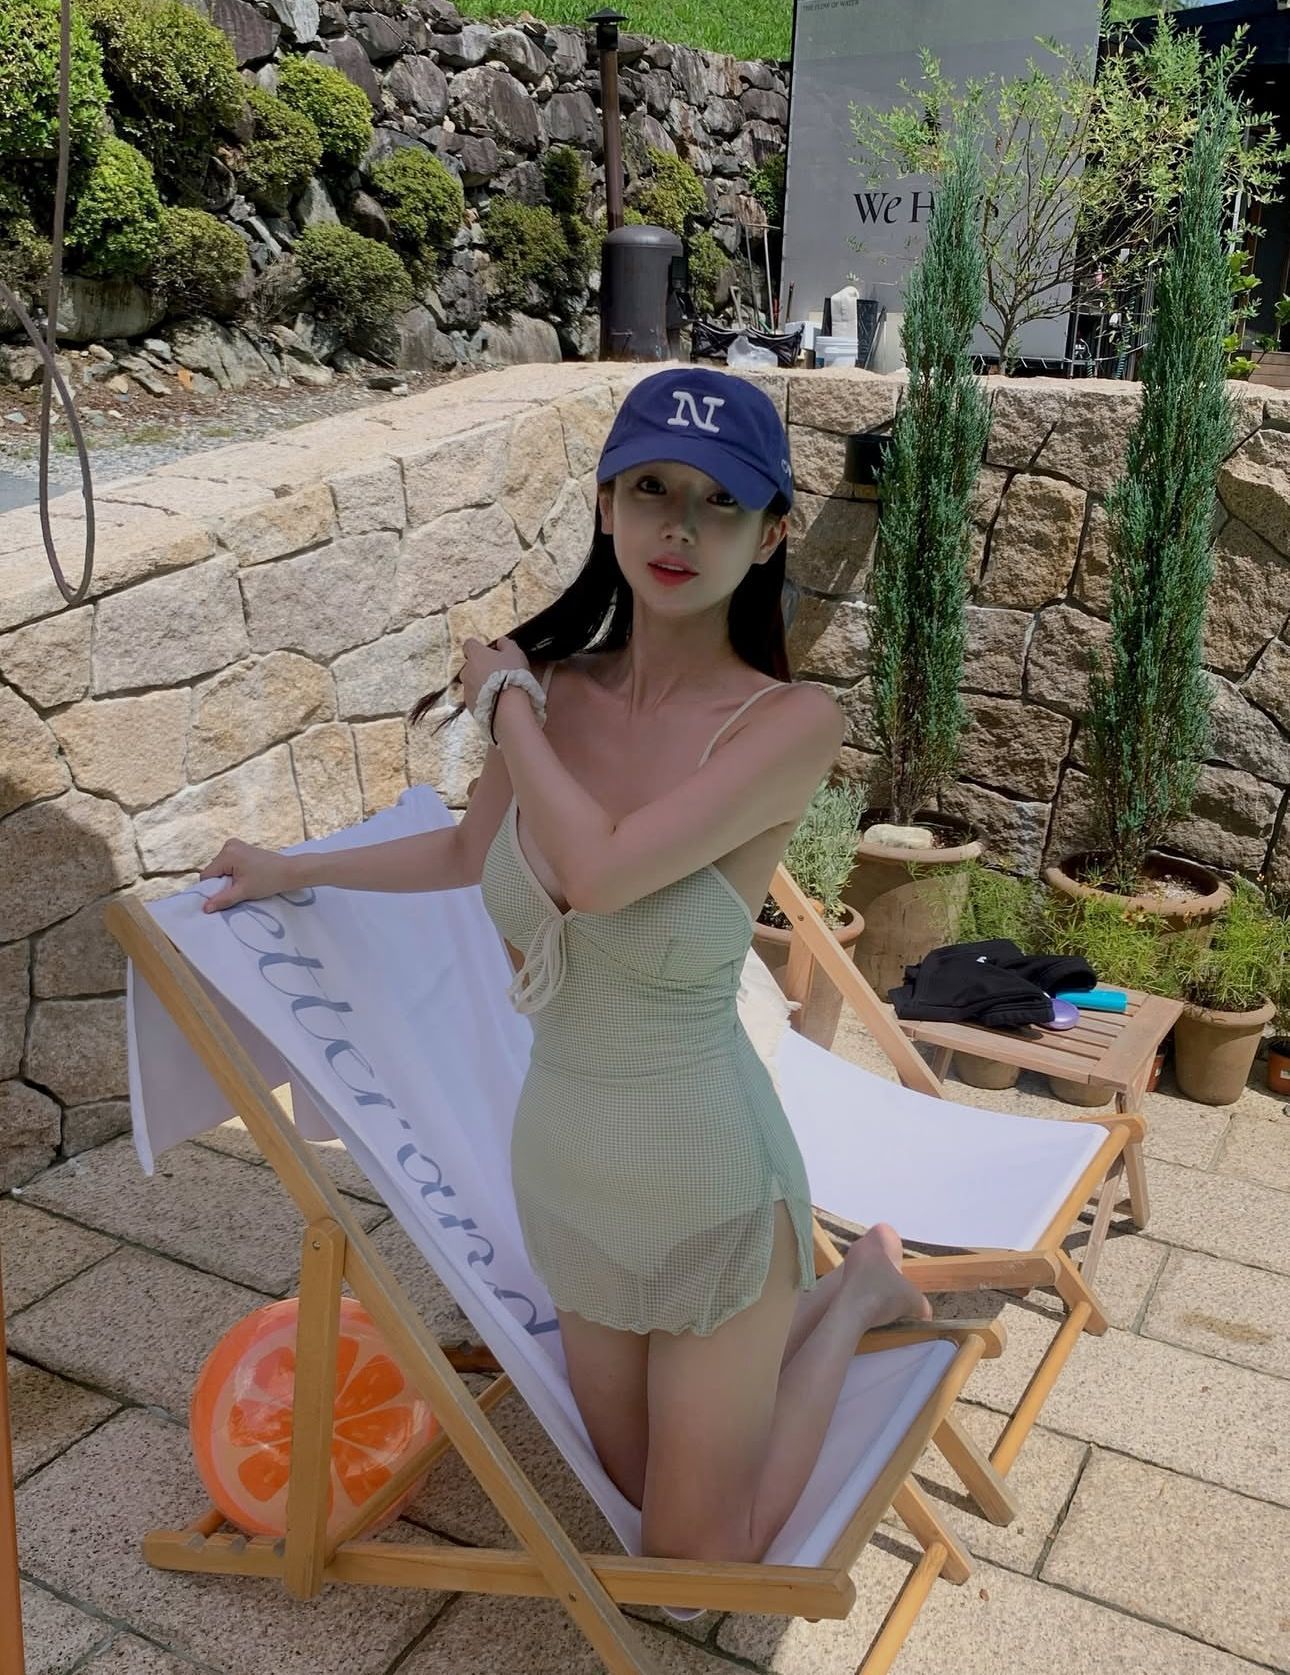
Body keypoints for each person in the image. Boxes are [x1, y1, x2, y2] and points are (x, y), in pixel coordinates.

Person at [199, 367, 930, 1565]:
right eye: (652, 490)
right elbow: (468, 850)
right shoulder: (558, 695)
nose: (681, 527)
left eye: (722, 502)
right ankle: (821, 1307)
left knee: (692, 1560)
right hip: (569, 1181)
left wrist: (507, 707)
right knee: (629, 1482)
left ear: (771, 535)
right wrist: (292, 868)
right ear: (605, 504)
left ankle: (851, 1297)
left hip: (709, 1189)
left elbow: (596, 873)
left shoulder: (786, 724)